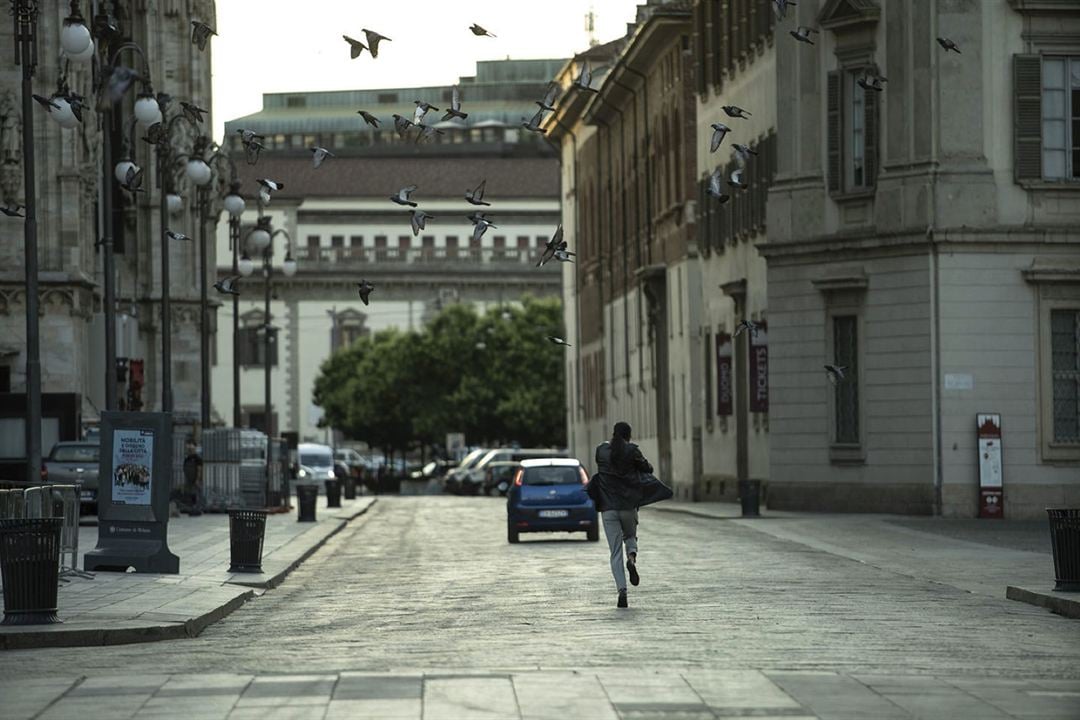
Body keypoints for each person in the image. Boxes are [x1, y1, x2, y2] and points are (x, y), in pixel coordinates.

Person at [593, 421, 672, 608]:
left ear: (613, 434)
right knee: (630, 536)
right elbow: (647, 468)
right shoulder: (632, 451)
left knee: (614, 552)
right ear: (628, 436)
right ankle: (632, 558)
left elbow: (603, 464)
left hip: (608, 508)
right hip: (628, 506)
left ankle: (622, 590)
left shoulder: (601, 451)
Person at [182, 438, 204, 516]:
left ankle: (197, 510)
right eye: (189, 448)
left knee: (196, 495)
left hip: (195, 480)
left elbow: (199, 469)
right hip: (189, 480)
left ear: (195, 447)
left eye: (191, 447)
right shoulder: (187, 458)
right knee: (190, 495)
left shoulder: (197, 458)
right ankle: (192, 509)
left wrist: (197, 479)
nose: (190, 449)